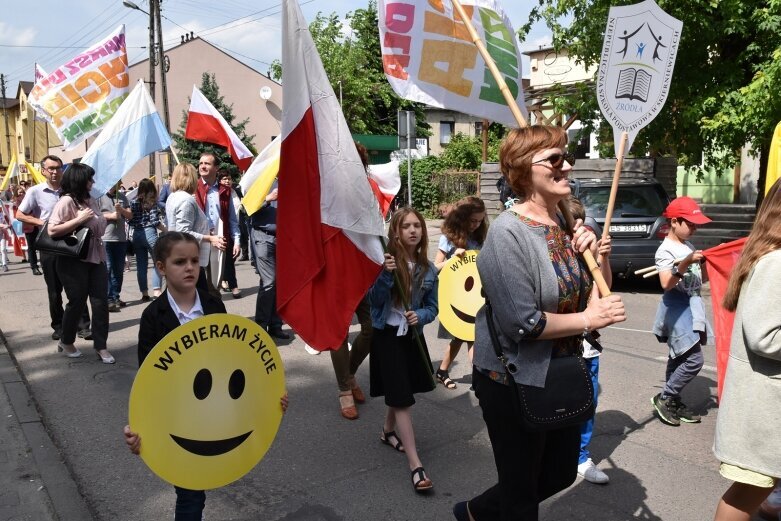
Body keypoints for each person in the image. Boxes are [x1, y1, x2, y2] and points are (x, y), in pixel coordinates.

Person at [454, 126, 626, 521]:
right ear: (522, 171)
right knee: (521, 497)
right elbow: (522, 323)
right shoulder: (507, 234)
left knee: (560, 473)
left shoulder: (568, 226)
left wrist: (597, 257)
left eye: (567, 156)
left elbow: (597, 293)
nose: (566, 165)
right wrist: (587, 320)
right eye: (554, 159)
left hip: (560, 372)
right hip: (511, 380)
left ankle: (474, 512)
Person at [123, 231, 289, 521]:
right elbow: (148, 380)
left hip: (219, 414)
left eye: (194, 261)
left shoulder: (213, 306)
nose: (189, 267)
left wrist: (270, 398)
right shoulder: (153, 316)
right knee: (190, 493)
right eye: (179, 262)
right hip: (181, 418)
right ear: (161, 267)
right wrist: (141, 430)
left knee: (216, 471)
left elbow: (237, 362)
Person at [712, 179, 781, 521]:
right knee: (746, 493)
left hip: (768, 411)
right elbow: (765, 337)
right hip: (764, 413)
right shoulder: (776, 263)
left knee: (759, 491)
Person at [369, 207, 438, 493]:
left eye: (417, 226)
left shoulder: (428, 269)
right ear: (395, 232)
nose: (413, 230)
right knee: (402, 398)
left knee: (400, 391)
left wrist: (419, 316)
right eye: (406, 226)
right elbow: (373, 300)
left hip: (411, 336)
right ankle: (415, 464)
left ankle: (387, 432)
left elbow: (433, 308)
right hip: (387, 336)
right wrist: (385, 276)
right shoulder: (384, 263)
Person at [651, 196, 714, 426]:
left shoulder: (688, 245)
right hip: (677, 307)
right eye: (691, 224)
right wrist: (686, 263)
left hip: (692, 305)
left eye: (697, 224)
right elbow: (666, 283)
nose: (695, 228)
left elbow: (700, 280)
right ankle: (665, 397)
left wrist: (707, 264)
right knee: (694, 360)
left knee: (679, 356)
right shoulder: (665, 250)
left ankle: (673, 399)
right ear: (675, 222)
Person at [16, 155, 91, 340]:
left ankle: (83, 326)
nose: (55, 171)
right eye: (51, 168)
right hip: (49, 245)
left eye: (58, 168)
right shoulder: (35, 191)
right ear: (43, 171)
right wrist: (41, 222)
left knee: (77, 286)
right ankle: (58, 326)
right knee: (54, 289)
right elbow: (19, 214)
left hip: (72, 242)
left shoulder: (70, 189)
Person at [47, 163, 114, 363]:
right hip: (73, 259)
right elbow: (52, 230)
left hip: (96, 257)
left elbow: (100, 228)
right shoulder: (66, 201)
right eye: (89, 179)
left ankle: (101, 347)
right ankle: (66, 341)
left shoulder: (91, 200)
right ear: (79, 180)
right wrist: (78, 220)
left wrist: (102, 218)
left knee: (100, 303)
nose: (92, 182)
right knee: (76, 302)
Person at [568, 196, 613, 485]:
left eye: (583, 221)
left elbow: (605, 289)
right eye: (575, 223)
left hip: (587, 345)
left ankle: (581, 456)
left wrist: (602, 259)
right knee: (559, 400)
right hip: (561, 344)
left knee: (588, 400)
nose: (581, 228)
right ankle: (559, 451)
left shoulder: (590, 251)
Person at [329, 143, 375, 420]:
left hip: (362, 269)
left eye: (357, 161)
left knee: (372, 328)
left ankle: (349, 374)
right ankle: (344, 389)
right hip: (334, 271)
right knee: (338, 333)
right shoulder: (327, 192)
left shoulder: (366, 189)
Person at [433, 195, 488, 390]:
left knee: (466, 335)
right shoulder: (448, 238)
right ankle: (478, 376)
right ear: (462, 217)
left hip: (474, 296)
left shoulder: (479, 237)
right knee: (465, 334)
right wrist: (452, 260)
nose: (476, 224)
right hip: (454, 296)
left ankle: (443, 371)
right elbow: (434, 268)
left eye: (480, 221)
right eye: (473, 220)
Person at [165, 163, 226, 294]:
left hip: (178, 254)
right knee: (201, 299)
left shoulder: (173, 197)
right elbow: (183, 232)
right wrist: (209, 238)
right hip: (188, 258)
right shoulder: (186, 200)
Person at [194, 153, 241, 296]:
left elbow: (231, 219)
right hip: (199, 242)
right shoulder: (193, 189)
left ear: (216, 168)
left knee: (215, 287)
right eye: (201, 163)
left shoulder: (225, 191)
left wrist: (237, 241)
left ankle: (214, 316)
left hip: (220, 243)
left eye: (207, 163)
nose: (202, 166)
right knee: (199, 287)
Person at [250, 180, 290, 340]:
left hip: (283, 238)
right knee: (269, 281)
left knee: (278, 284)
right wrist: (268, 198)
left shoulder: (289, 179)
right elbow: (248, 208)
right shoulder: (261, 178)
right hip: (263, 236)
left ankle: (275, 325)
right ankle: (260, 326)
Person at [129, 179, 164, 302]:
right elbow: (155, 221)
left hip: (137, 233)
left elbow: (131, 221)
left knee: (141, 265)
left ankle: (144, 292)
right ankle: (157, 290)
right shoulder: (152, 202)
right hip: (150, 232)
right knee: (157, 262)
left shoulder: (133, 202)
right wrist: (166, 230)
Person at [99, 183, 131, 312]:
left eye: (116, 183)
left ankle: (116, 295)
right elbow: (93, 214)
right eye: (111, 183)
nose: (113, 186)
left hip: (120, 239)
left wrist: (121, 210)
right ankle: (109, 298)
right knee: (108, 268)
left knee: (118, 270)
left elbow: (130, 215)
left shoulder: (122, 197)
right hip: (105, 238)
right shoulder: (99, 197)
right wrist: (110, 215)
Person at [217, 170, 242, 298]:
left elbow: (234, 215)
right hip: (215, 234)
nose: (227, 181)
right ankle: (221, 283)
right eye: (224, 179)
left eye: (229, 178)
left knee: (230, 262)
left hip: (229, 231)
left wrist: (236, 238)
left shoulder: (233, 192)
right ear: (219, 180)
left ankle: (233, 285)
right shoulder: (216, 193)